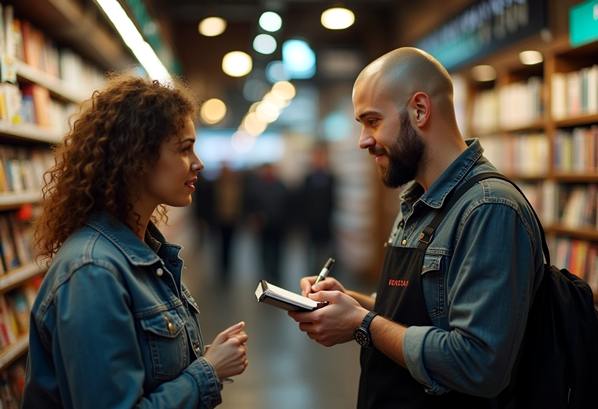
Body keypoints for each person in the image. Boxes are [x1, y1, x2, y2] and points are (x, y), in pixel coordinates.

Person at [289, 47, 544, 408]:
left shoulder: (488, 208)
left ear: (420, 110)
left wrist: (362, 324)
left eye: (372, 121)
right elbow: (426, 311)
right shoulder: (416, 202)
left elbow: (478, 362)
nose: (362, 139)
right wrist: (349, 304)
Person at [22, 76, 248, 409]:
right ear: (138, 157)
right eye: (185, 148)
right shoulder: (93, 272)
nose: (198, 163)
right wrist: (208, 371)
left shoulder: (143, 252)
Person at [300, 143, 336, 276]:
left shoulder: (331, 178)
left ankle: (323, 279)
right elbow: (303, 201)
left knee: (325, 255)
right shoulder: (308, 178)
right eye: (316, 156)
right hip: (310, 224)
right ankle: (311, 279)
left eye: (321, 156)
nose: (318, 159)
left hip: (325, 224)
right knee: (310, 256)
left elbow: (332, 201)